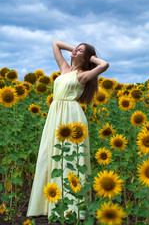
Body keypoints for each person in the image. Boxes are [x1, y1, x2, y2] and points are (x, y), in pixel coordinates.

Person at [26, 40, 109, 219]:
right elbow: (56, 43)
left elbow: (105, 65)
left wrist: (90, 57)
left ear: (86, 58)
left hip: (72, 117)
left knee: (71, 158)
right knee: (49, 155)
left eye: (80, 50)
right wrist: (77, 51)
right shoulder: (64, 68)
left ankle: (72, 208)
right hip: (55, 115)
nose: (75, 50)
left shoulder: (83, 75)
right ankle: (50, 205)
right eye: (76, 48)